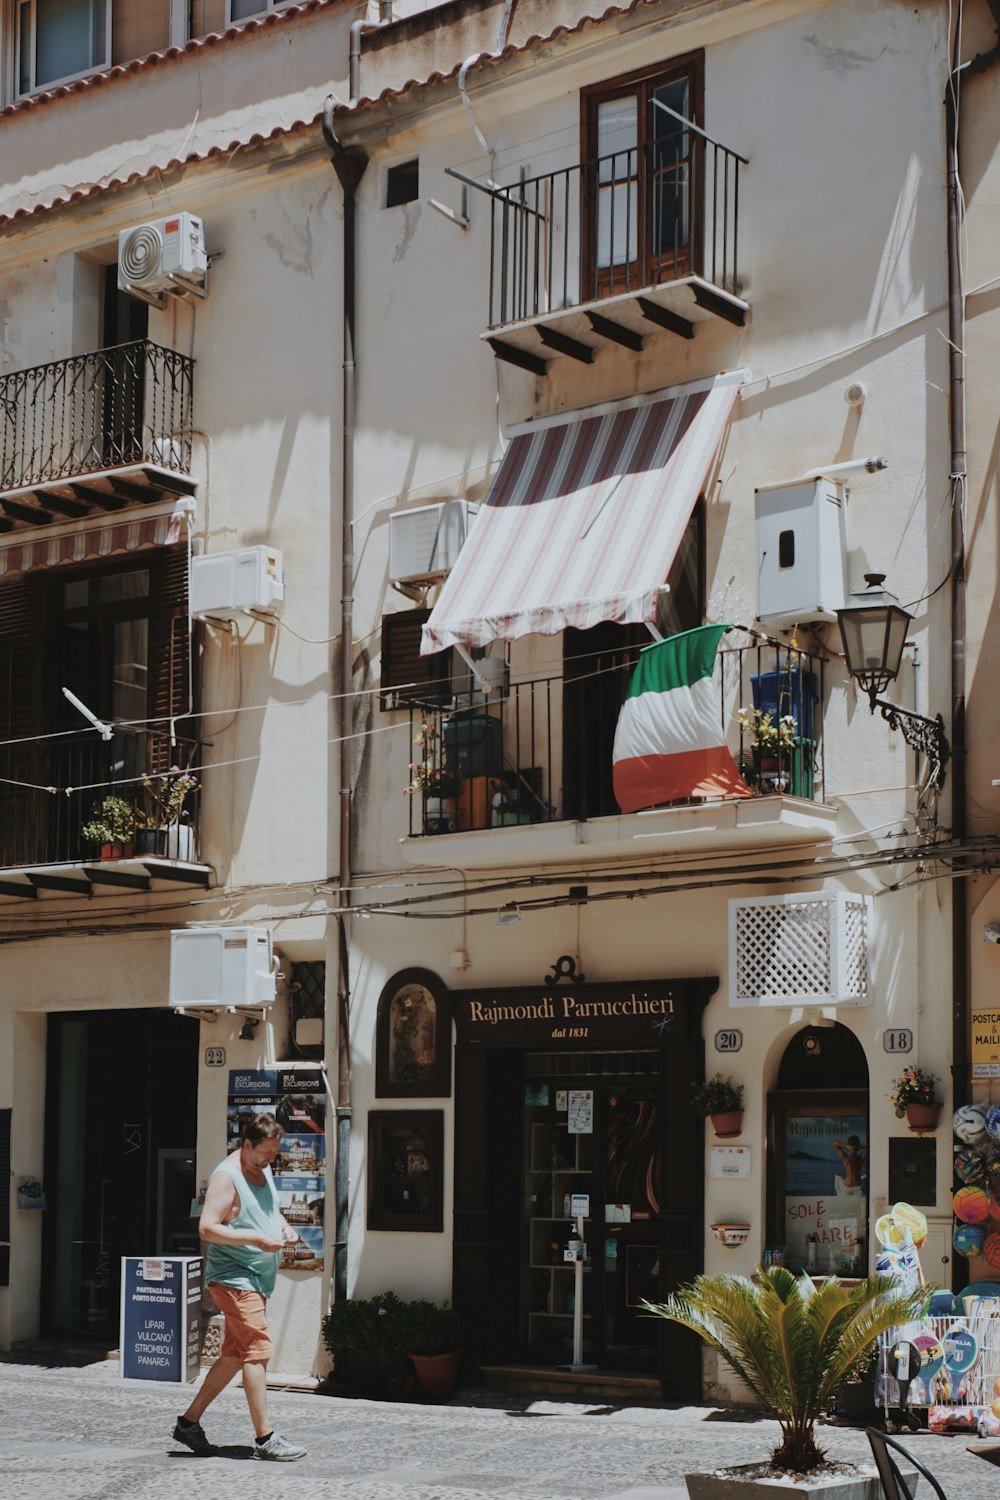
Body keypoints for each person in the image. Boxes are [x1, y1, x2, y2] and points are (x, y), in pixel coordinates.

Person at [172, 1113, 307, 1461]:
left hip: (257, 1278)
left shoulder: (263, 1168)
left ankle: (188, 1423)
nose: (271, 1158)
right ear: (247, 1145)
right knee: (258, 1349)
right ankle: (266, 1439)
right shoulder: (226, 1177)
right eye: (266, 1152)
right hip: (233, 1277)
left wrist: (283, 1227)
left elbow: (269, 1210)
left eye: (275, 1153)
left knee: (233, 1354)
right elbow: (207, 1228)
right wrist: (256, 1238)